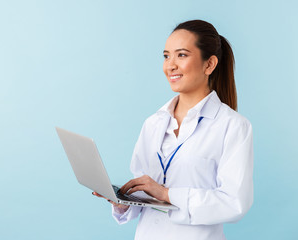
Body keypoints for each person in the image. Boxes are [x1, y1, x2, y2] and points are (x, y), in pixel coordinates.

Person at [93, 19, 253, 240]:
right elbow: (144, 196)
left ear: (209, 64)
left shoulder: (233, 126)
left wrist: (167, 194)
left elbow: (234, 203)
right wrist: (121, 202)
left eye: (182, 55)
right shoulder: (153, 123)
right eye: (166, 56)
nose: (170, 65)